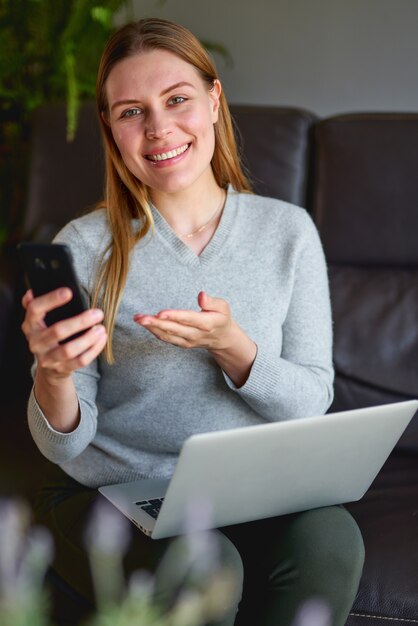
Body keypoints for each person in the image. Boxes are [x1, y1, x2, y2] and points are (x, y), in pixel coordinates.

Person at [21, 17, 364, 626]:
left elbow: (313, 400)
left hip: (255, 489)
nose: (158, 129)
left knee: (332, 539)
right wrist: (53, 372)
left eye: (177, 100)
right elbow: (62, 444)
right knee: (209, 568)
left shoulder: (288, 232)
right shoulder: (85, 244)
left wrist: (235, 350)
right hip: (123, 492)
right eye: (131, 112)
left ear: (212, 102)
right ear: (111, 128)